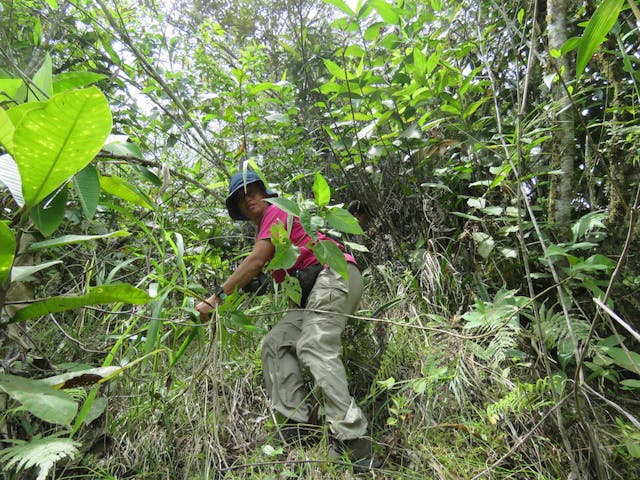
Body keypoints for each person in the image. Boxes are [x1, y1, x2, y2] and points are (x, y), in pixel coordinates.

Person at [196, 170, 380, 471]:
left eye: (253, 191)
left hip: (335, 275)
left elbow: (255, 261)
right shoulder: (270, 232)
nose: (249, 199)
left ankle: (353, 438)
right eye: (242, 198)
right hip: (313, 293)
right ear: (239, 210)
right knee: (276, 343)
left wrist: (216, 297)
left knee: (314, 344)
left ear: (264, 193)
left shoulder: (278, 209)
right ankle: (298, 425)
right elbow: (283, 278)